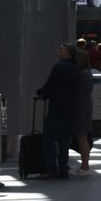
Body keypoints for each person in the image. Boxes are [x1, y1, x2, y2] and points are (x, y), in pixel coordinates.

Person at [34, 42, 78, 180]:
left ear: (67, 53)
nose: (57, 50)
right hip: (70, 107)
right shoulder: (74, 67)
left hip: (57, 108)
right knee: (64, 140)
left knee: (49, 139)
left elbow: (51, 85)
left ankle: (51, 168)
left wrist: (42, 94)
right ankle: (63, 168)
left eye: (60, 48)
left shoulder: (59, 67)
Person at [72, 49, 93, 176]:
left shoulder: (82, 74)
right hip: (85, 106)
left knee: (82, 137)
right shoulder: (87, 72)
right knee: (82, 137)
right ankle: (84, 165)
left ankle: (85, 166)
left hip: (80, 108)